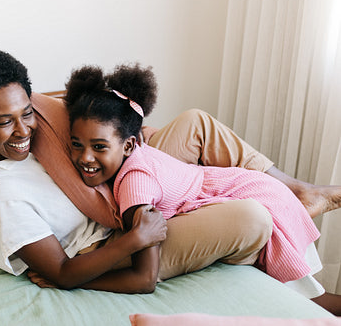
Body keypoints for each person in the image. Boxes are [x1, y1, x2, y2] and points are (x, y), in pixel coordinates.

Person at [0, 49, 341, 313]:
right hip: (111, 238)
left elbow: (96, 121)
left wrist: (138, 143)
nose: (23, 130)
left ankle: (299, 190)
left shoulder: (42, 121)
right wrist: (136, 239)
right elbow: (63, 273)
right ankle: (316, 300)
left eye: (26, 113)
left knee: (195, 123)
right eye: (4, 122)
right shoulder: (2, 193)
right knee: (252, 219)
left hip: (112, 182)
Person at [63, 63, 341, 314]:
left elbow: (145, 279)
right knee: (315, 295)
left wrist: (72, 282)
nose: (84, 158)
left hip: (254, 196)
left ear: (129, 145)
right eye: (76, 144)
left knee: (315, 301)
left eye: (99, 147)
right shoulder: (138, 152)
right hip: (246, 185)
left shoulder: (135, 184)